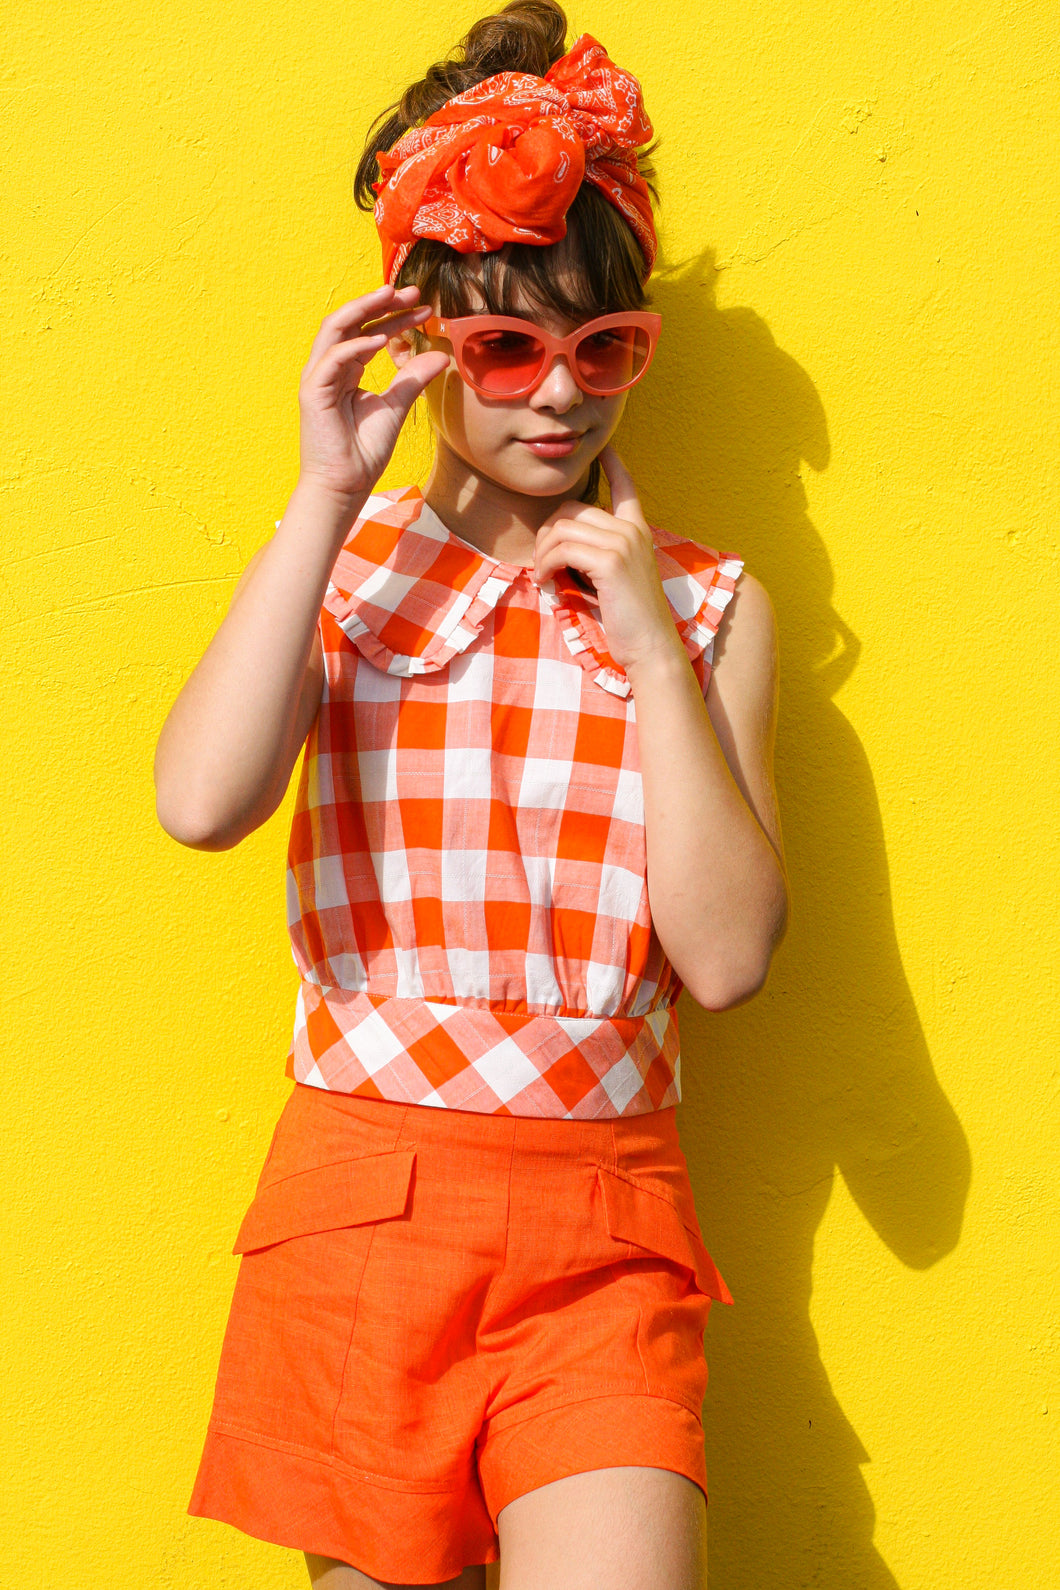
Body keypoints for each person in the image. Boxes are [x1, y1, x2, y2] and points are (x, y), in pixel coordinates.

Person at [154, 3, 788, 1585]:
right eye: (506, 346)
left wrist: (645, 642)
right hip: (365, 1202)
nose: (557, 395)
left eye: (604, 349)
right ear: (429, 343)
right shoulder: (344, 571)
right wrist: (321, 490)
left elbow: (725, 957)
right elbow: (200, 800)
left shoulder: (705, 605)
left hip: (606, 1225)